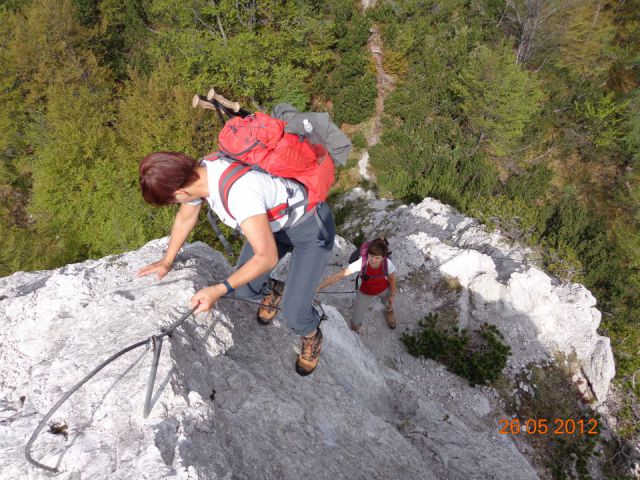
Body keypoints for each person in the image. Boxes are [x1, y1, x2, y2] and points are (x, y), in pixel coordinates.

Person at [136, 151, 335, 376]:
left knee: (294, 314)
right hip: (272, 225)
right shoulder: (200, 172)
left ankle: (311, 335)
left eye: (173, 200)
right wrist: (167, 260)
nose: (177, 203)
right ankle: (274, 289)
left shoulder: (239, 194)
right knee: (243, 289)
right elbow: (186, 217)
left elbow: (266, 257)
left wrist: (218, 289)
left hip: (309, 228)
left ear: (180, 192)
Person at [316, 237, 397, 333]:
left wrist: (392, 294)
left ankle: (389, 312)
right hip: (365, 291)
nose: (373, 261)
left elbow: (392, 279)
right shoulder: (362, 263)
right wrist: (319, 287)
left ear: (383, 257)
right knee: (355, 321)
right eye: (371, 256)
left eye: (377, 258)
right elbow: (339, 275)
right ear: (368, 255)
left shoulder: (387, 264)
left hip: (382, 288)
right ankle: (355, 331)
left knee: (389, 303)